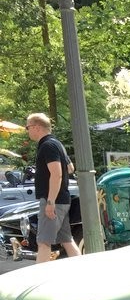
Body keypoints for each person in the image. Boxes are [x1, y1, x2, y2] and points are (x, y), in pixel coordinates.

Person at [25, 113, 79, 264]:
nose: (27, 130)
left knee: (43, 242)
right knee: (67, 240)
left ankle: (38, 280)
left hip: (53, 200)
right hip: (62, 199)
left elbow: (57, 174)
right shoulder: (56, 144)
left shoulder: (47, 145)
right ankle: (82, 271)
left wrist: (50, 202)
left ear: (36, 127)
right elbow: (70, 168)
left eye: (27, 127)